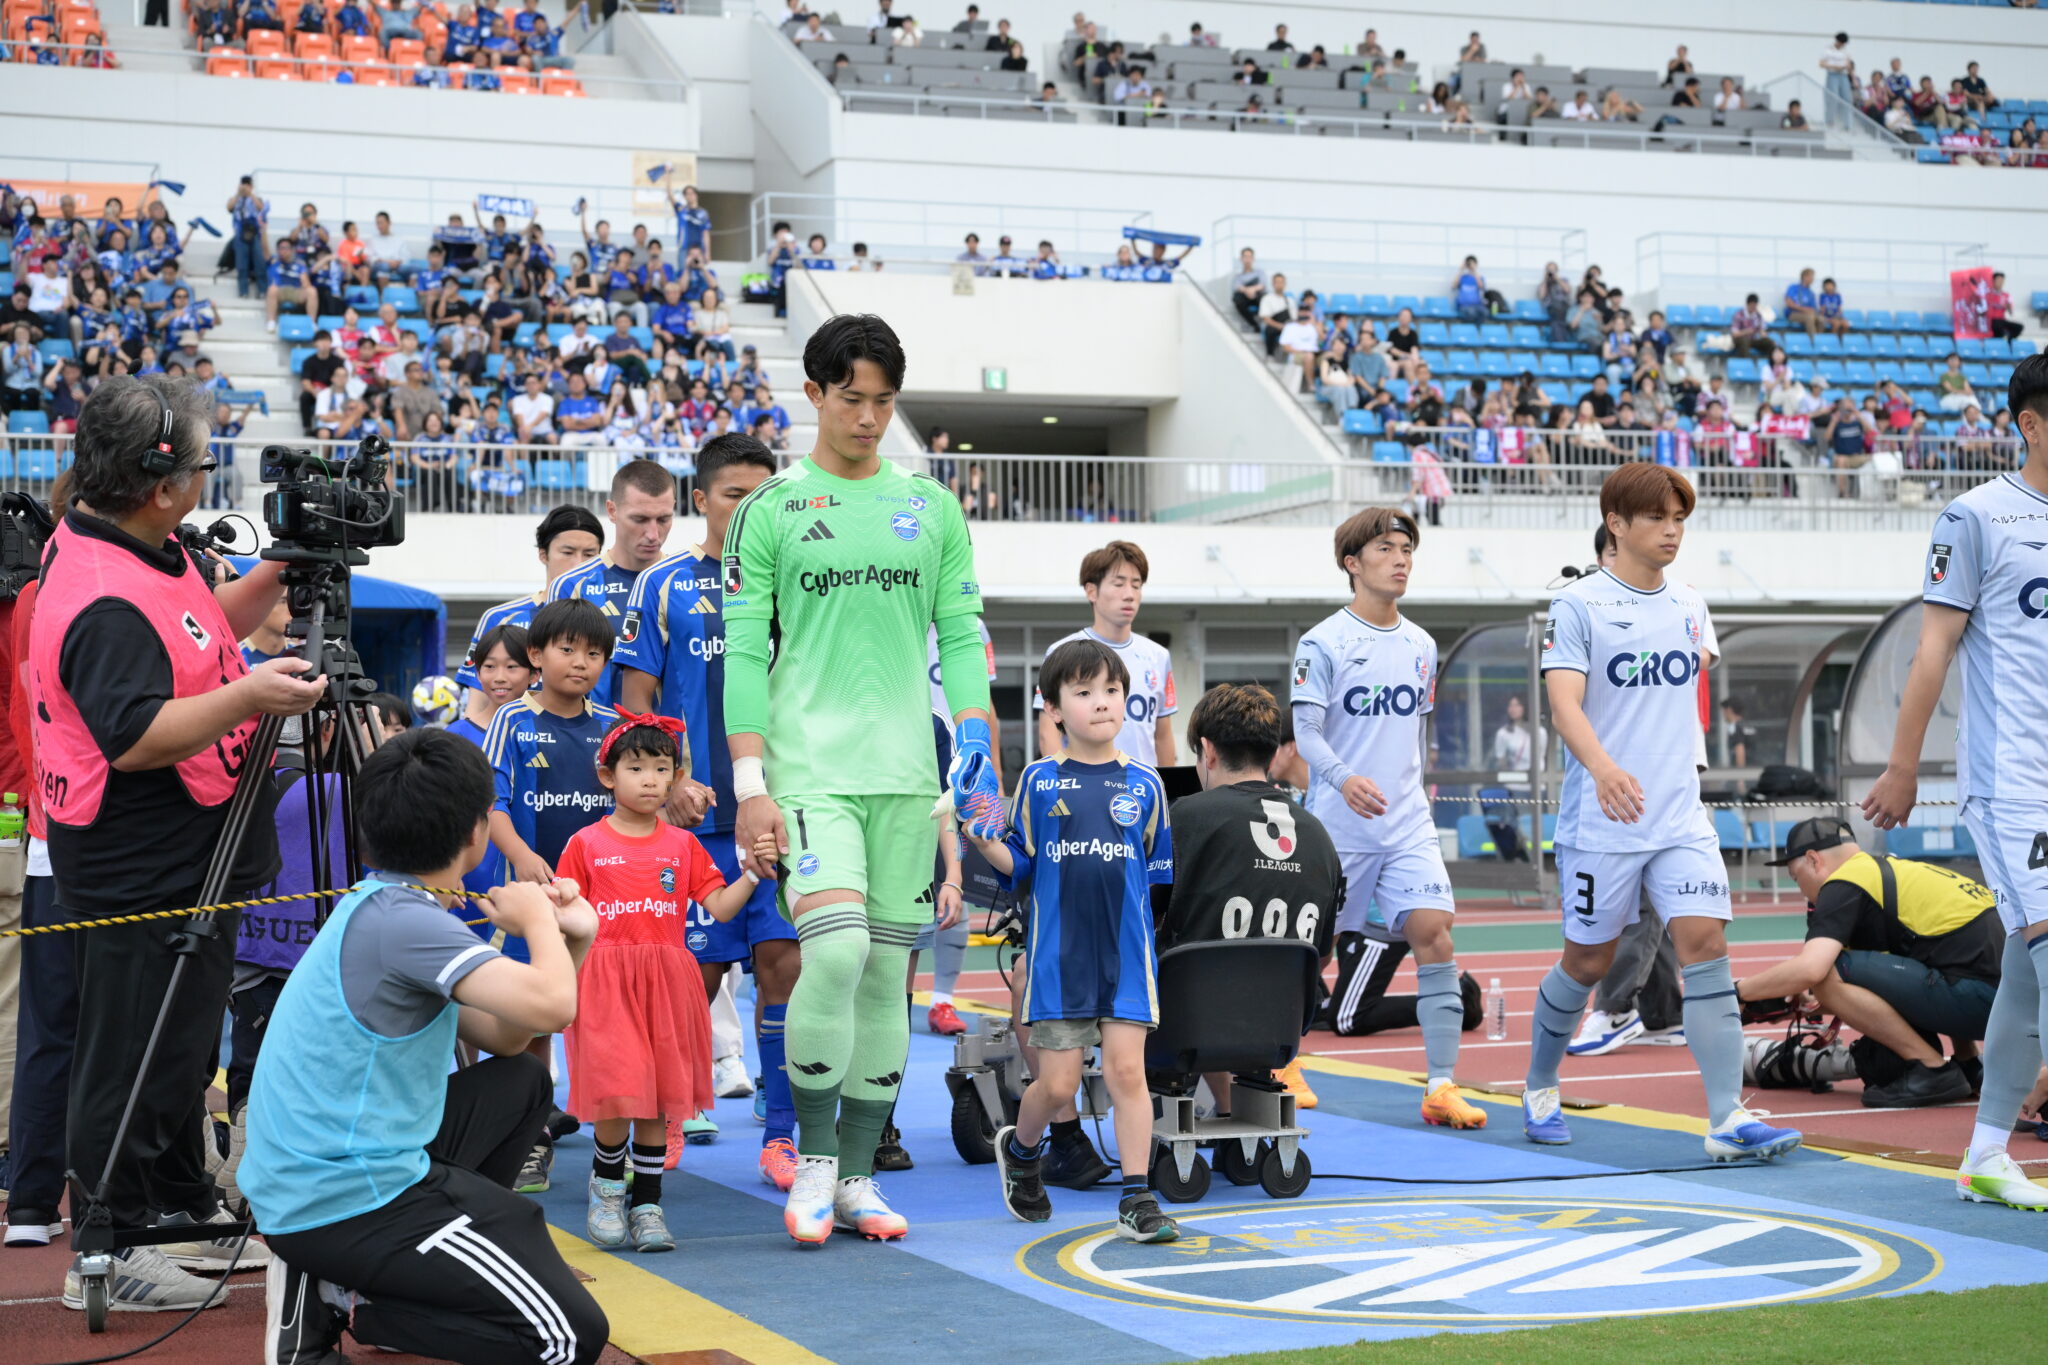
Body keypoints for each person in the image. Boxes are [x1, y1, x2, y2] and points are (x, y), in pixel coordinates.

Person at [35, 376, 323, 1312]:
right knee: (128, 1048)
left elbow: (198, 631)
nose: (208, 478)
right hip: (137, 854)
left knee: (181, 1044)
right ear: (162, 488)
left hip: (190, 843)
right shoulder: (102, 594)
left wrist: (279, 569)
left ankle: (170, 1202)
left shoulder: (137, 544)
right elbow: (135, 734)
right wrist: (251, 696)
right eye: (201, 465)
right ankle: (109, 1242)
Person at [723, 312, 997, 1246]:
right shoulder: (771, 509)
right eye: (851, 398)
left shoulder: (933, 508)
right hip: (809, 773)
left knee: (885, 976)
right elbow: (744, 655)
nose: (869, 417)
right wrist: (750, 781)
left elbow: (960, 633)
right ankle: (812, 1160)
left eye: (883, 401)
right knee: (833, 953)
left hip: (908, 777)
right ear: (814, 393)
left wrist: (975, 735)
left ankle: (856, 1176)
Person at [245, 729, 609, 1365]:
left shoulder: (384, 903)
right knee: (568, 1337)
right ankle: (351, 1300)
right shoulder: (409, 923)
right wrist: (538, 922)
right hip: (340, 1198)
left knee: (522, 1082)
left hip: (318, 1176)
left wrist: (571, 941)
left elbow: (507, 1034)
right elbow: (554, 1007)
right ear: (476, 833)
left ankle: (388, 1278)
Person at [1525, 464, 1801, 1155]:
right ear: (1616, 524)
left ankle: (1727, 1118)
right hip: (1603, 820)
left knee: (1706, 948)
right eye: (1657, 517)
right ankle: (1539, 1084)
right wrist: (1605, 766)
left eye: (1680, 518)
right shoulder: (1578, 605)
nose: (1673, 530)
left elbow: (1681, 692)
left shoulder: (1690, 605)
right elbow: (1563, 704)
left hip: (1680, 818)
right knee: (1588, 961)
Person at [1862, 355, 2048, 1209]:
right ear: (2030, 424)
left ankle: (1984, 1153)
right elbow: (1933, 648)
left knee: (2025, 974)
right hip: (2016, 781)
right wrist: (1903, 765)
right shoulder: (1976, 517)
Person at [615, 434, 805, 1192]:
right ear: (700, 499)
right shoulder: (663, 584)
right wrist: (672, 780)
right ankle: (664, 1115)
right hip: (696, 826)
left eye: (764, 497)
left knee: (784, 968)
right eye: (735, 495)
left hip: (780, 817)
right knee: (691, 980)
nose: (751, 509)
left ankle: (782, 1133)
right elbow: (634, 703)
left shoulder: (797, 583)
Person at [1289, 509, 1488, 1131]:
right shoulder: (1322, 643)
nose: (1400, 559)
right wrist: (1344, 779)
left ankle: (1441, 1086)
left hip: (1406, 827)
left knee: (1435, 936)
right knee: (1311, 950)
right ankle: (1281, 1062)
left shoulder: (1422, 645)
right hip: (1337, 827)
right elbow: (1306, 733)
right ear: (1353, 563)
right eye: (1385, 548)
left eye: (1406, 549)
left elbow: (1412, 735)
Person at [980, 639, 1178, 1244]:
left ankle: (1137, 1197)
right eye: (1084, 692)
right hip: (1058, 961)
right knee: (1059, 1085)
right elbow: (1018, 865)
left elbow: (1158, 875)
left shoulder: (1147, 784)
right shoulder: (1038, 782)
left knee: (1128, 1074)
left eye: (1112, 690)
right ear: (1054, 708)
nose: (1101, 702)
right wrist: (981, 837)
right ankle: (1021, 1149)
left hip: (1126, 960)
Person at [559, 713, 778, 1252]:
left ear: (676, 777)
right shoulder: (585, 843)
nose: (651, 780)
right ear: (608, 776)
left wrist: (753, 873)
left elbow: (720, 907)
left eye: (662, 768)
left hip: (667, 983)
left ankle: (648, 1206)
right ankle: (607, 1190)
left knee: (657, 1099)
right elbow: (566, 916)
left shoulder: (683, 845)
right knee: (617, 1095)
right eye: (636, 768)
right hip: (606, 983)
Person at [1157, 682, 1344, 1104]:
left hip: (1185, 1024)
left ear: (1207, 751)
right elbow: (1322, 953)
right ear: (1273, 755)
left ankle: (1062, 1127)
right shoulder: (1320, 836)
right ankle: (1230, 1114)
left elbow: (1141, 916)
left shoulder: (1182, 818)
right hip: (1280, 1029)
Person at [1738, 818, 1999, 1108]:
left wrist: (1739, 993)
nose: (1801, 890)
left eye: (1795, 877)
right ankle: (1969, 1063)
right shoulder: (1897, 871)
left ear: (1813, 860)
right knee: (1941, 955)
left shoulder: (1845, 881)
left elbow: (1813, 970)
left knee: (1828, 974)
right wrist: (1804, 1003)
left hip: (1980, 1000)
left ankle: (1931, 1069)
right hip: (2011, 1010)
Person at [1033, 540, 1175, 767]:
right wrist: (1063, 780)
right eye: (1118, 584)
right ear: (1092, 591)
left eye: (1136, 585)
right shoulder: (1061, 651)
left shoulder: (1158, 656)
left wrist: (1167, 786)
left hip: (1140, 785)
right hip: (1082, 782)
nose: (1129, 595)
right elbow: (1048, 732)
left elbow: (1163, 735)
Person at [549, 461, 678, 706]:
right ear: (612, 511)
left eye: (663, 519)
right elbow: (553, 682)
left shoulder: (686, 581)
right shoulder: (572, 585)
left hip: (672, 730)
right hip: (595, 730)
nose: (653, 534)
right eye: (639, 519)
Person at [456, 505, 604, 692]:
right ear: (543, 554)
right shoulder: (501, 618)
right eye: (568, 553)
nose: (579, 564)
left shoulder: (616, 615)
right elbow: (479, 703)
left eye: (589, 555)